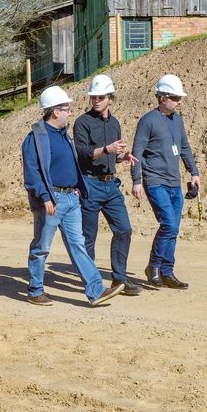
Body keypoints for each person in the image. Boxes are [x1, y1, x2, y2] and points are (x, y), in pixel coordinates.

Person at [22, 85, 124, 307]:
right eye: (67, 109)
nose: (70, 113)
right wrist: (45, 197)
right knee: (42, 247)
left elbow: (72, 164)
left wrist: (77, 187)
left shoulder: (63, 136)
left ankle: (96, 290)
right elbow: (32, 173)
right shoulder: (36, 138)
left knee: (78, 244)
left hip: (71, 199)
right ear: (55, 111)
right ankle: (35, 290)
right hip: (51, 200)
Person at [73, 74, 143, 296]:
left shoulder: (114, 123)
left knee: (124, 229)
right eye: (93, 96)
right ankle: (92, 282)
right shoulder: (82, 123)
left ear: (110, 98)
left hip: (110, 185)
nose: (96, 100)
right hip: (89, 185)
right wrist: (107, 150)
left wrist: (124, 157)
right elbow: (83, 154)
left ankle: (119, 280)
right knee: (88, 236)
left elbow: (114, 155)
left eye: (100, 97)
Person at [130, 74, 202, 289]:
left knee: (174, 228)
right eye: (175, 97)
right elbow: (137, 152)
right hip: (154, 181)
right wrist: (136, 180)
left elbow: (185, 148)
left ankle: (167, 271)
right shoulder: (148, 121)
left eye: (180, 98)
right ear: (162, 97)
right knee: (168, 224)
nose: (179, 101)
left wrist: (194, 172)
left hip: (174, 183)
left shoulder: (177, 120)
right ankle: (153, 266)